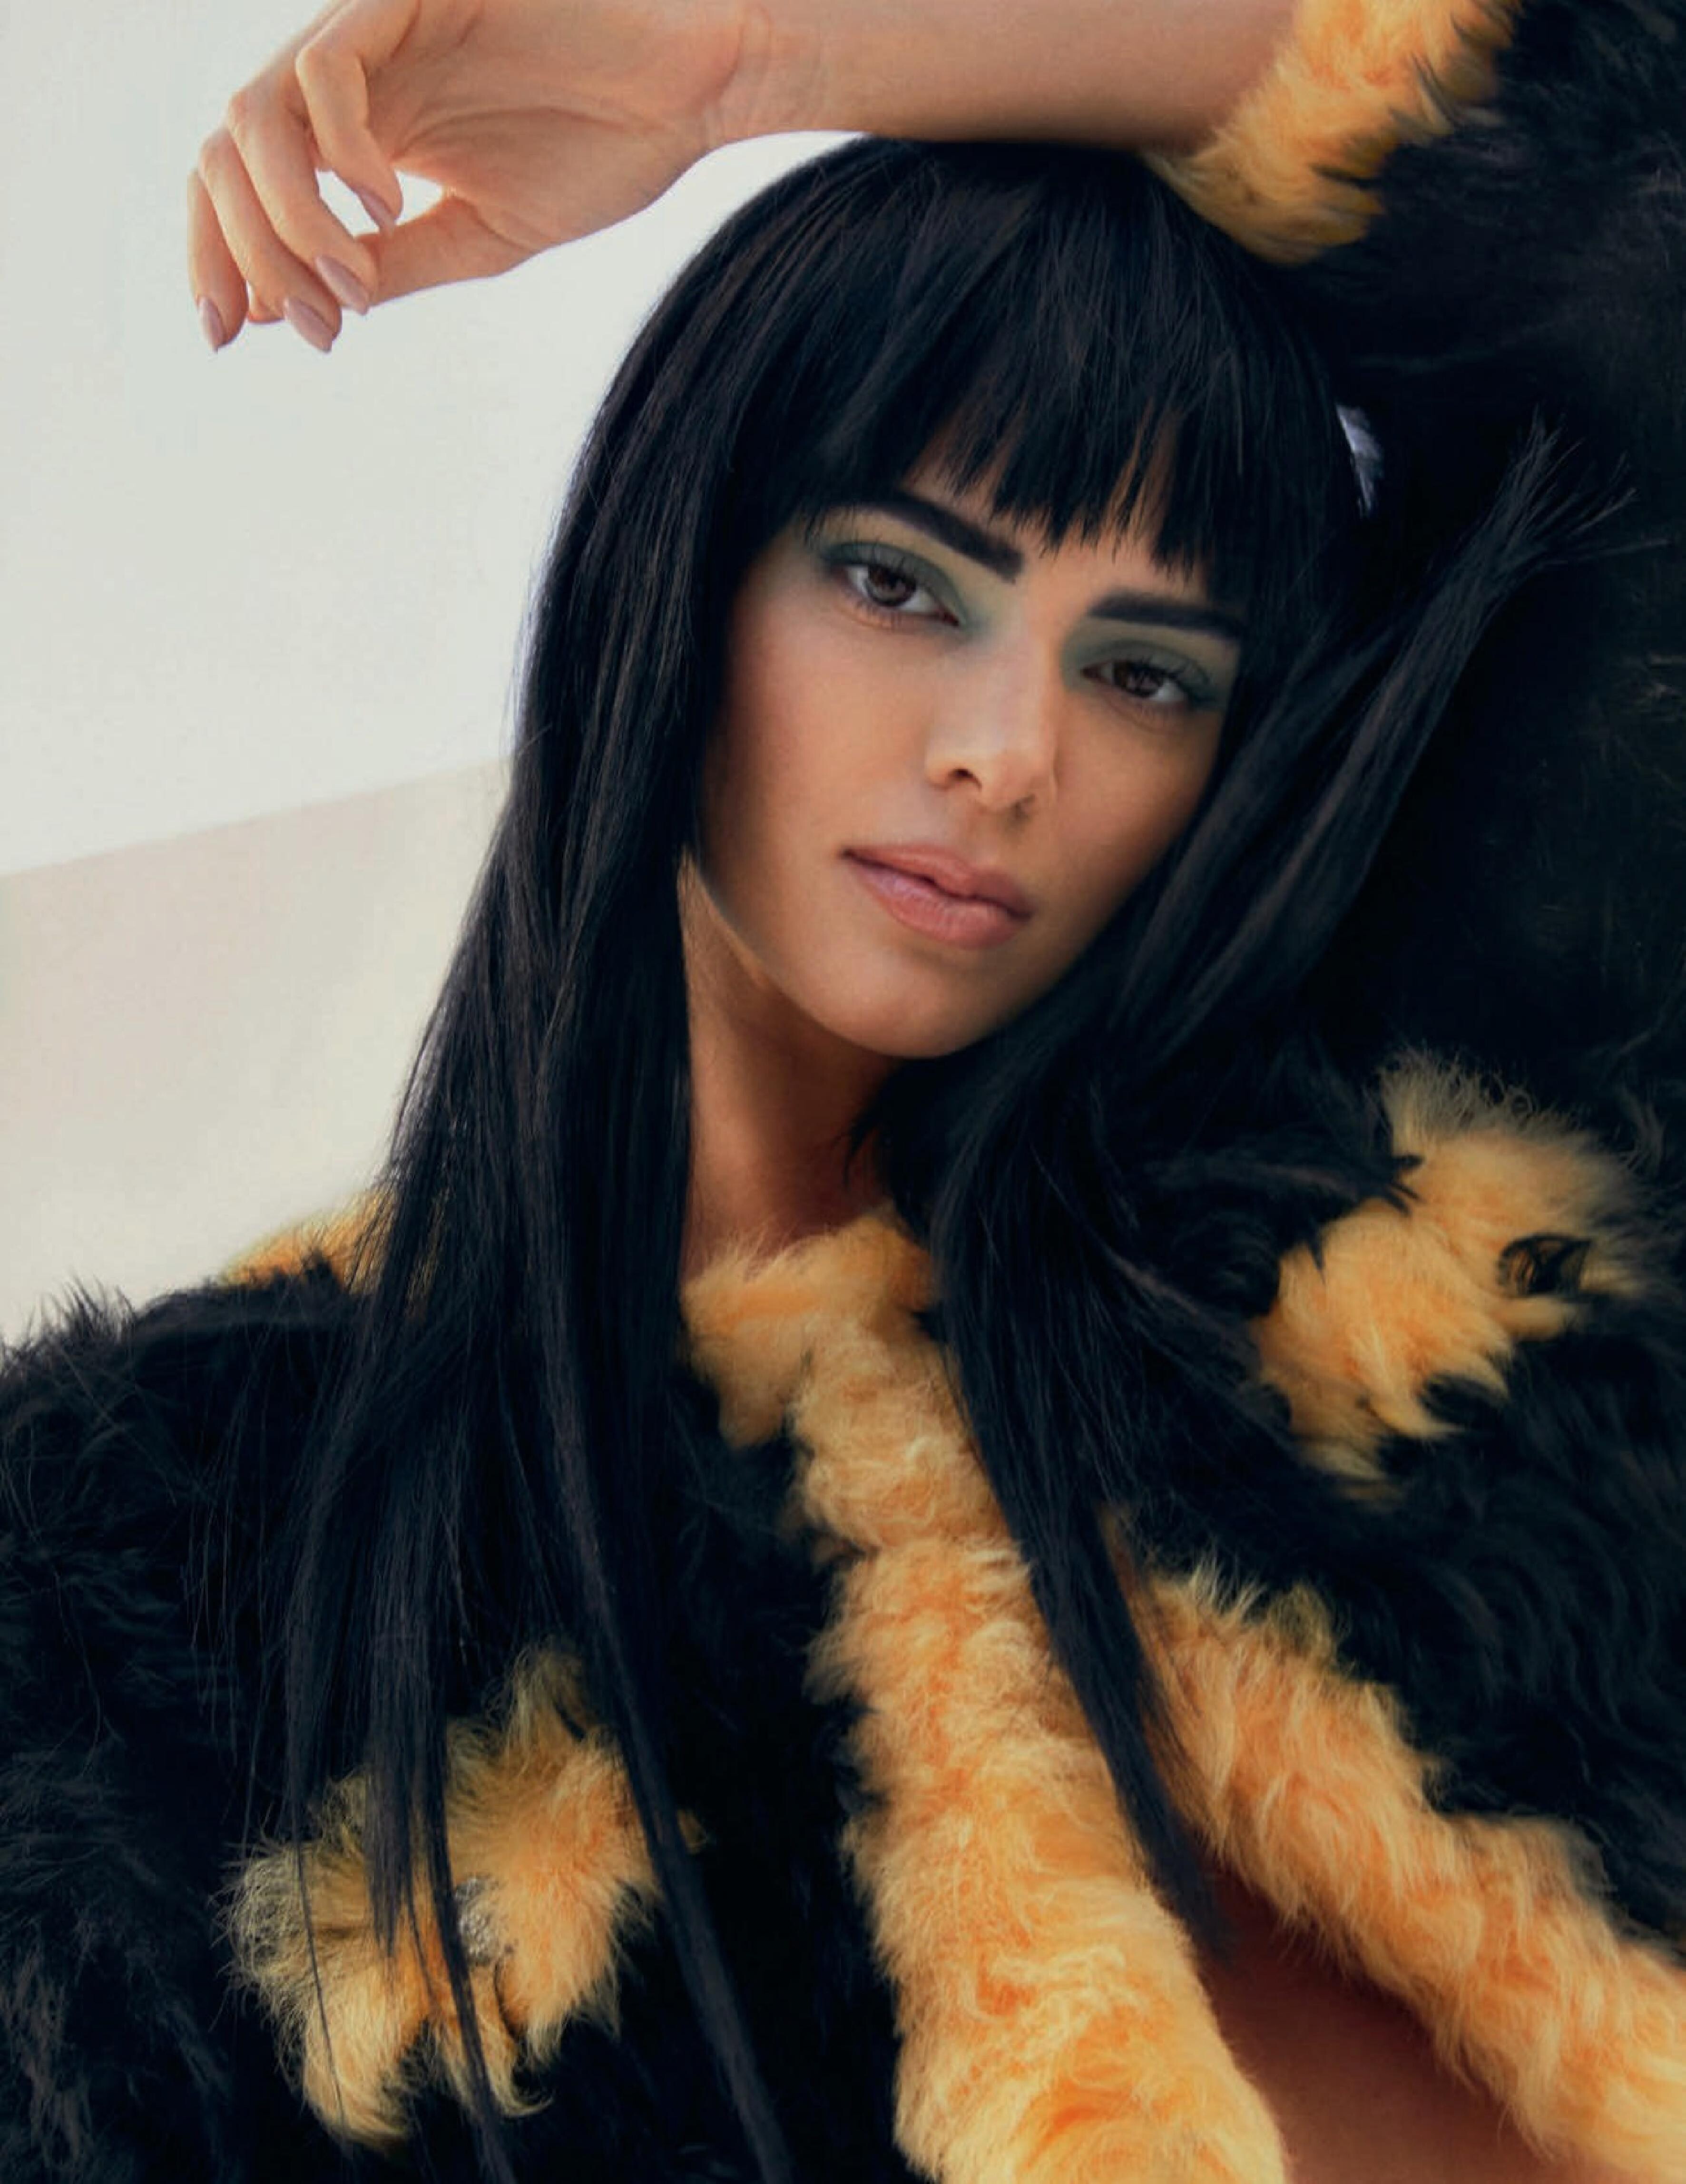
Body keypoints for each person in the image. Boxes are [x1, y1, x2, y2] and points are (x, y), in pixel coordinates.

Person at [5, 2, 1685, 2180]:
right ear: (679, 569)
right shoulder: (160, 1563)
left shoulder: (1403, 1241)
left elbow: (1632, 236)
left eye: (1144, 670)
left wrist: (748, 57)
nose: (1007, 751)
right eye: (898, 581)